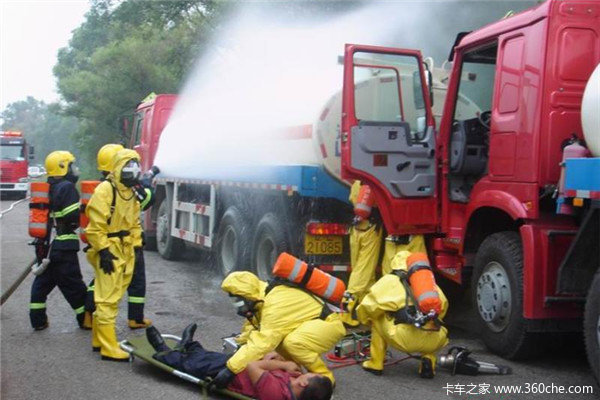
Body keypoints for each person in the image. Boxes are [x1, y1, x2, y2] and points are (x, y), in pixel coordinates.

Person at [215, 271, 346, 387]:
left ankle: (325, 380)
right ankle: (295, 373)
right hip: (313, 322)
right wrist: (241, 341)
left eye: (239, 301)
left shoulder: (274, 304)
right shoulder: (263, 297)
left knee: (293, 343)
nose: (239, 307)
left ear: (247, 295)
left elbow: (263, 341)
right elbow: (255, 328)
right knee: (282, 342)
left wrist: (231, 369)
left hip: (329, 324)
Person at [146, 324, 333, 400]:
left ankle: (163, 352)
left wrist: (282, 365)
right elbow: (266, 365)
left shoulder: (277, 393)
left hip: (228, 375)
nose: (308, 371)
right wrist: (276, 360)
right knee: (206, 355)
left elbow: (253, 367)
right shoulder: (293, 383)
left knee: (193, 364)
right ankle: (188, 344)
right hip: (237, 366)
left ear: (304, 383)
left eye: (311, 374)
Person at [83, 143, 154, 330]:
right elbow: (146, 201)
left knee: (101, 282)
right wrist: (146, 182)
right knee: (133, 281)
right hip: (122, 244)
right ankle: (133, 318)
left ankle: (89, 315)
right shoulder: (120, 188)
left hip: (112, 243)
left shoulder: (107, 186)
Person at [85, 148, 143, 361]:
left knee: (115, 295)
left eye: (136, 166)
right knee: (107, 298)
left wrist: (136, 244)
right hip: (110, 249)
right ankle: (109, 347)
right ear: (119, 168)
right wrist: (104, 251)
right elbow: (94, 226)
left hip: (126, 248)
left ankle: (99, 339)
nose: (134, 171)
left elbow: (135, 222)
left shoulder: (130, 192)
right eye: (129, 166)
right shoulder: (105, 190)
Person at [356, 250, 449, 378]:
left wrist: (364, 320)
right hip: (434, 339)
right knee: (432, 321)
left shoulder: (389, 281)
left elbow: (369, 306)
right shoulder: (428, 284)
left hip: (403, 337)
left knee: (376, 318)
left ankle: (376, 363)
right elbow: (443, 307)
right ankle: (428, 361)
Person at [29, 151, 87, 330]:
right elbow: (71, 217)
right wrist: (85, 209)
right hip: (63, 245)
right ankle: (86, 320)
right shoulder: (67, 187)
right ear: (62, 167)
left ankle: (38, 321)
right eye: (71, 166)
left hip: (46, 247)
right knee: (74, 285)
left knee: (42, 284)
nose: (74, 170)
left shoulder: (48, 188)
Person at [341, 180, 383, 326]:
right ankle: (345, 312)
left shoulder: (357, 183)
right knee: (362, 273)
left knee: (365, 274)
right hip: (370, 231)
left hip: (356, 229)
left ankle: (366, 314)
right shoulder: (376, 182)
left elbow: (352, 200)